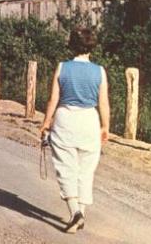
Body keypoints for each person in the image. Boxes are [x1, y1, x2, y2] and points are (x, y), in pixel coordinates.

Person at [40, 27, 110, 234]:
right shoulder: (100, 71)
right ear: (92, 46)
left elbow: (54, 99)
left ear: (71, 45)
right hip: (89, 119)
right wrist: (105, 126)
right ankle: (81, 213)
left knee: (66, 168)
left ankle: (75, 213)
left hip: (65, 119)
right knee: (86, 171)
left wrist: (46, 122)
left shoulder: (62, 67)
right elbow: (103, 102)